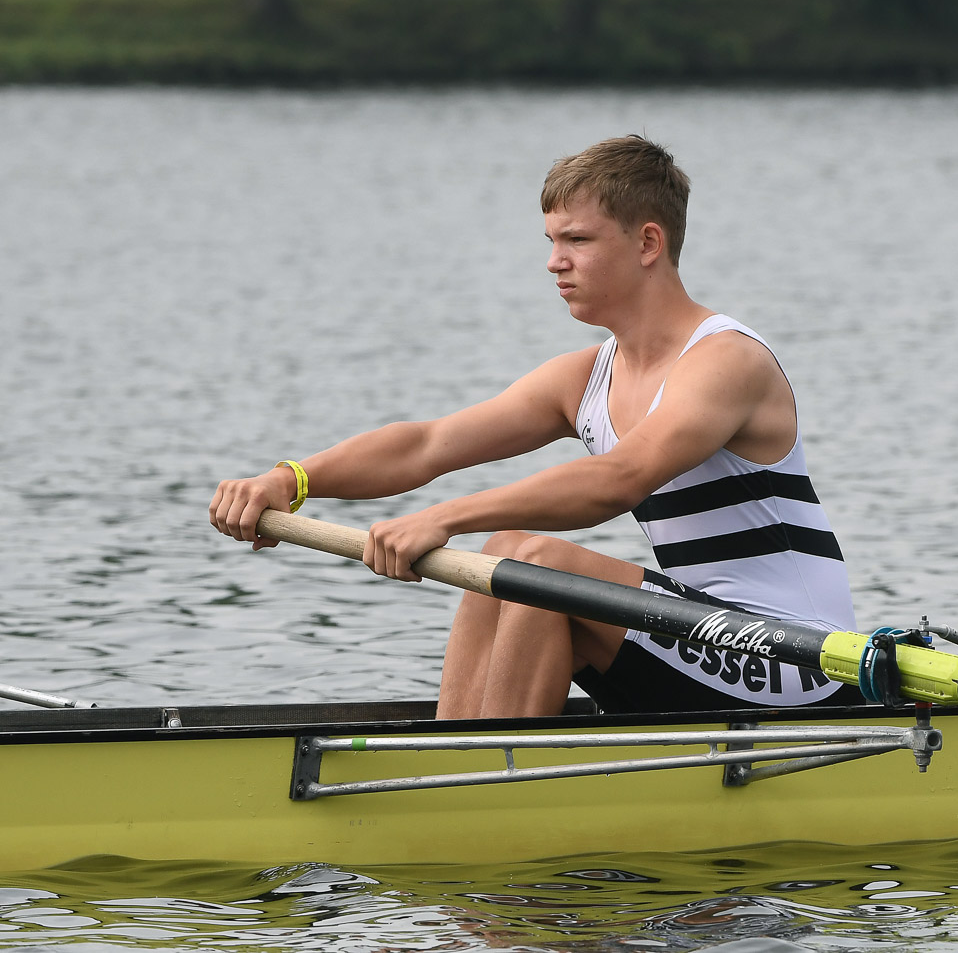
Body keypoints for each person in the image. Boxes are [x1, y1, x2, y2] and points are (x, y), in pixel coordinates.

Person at [210, 135, 864, 719]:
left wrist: (444, 518)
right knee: (504, 556)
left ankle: (480, 795)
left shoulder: (724, 361)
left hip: (800, 662)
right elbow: (425, 445)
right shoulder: (583, 378)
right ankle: (453, 757)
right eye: (551, 241)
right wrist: (289, 479)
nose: (554, 261)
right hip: (701, 644)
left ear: (646, 243)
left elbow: (618, 479)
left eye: (576, 240)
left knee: (535, 559)